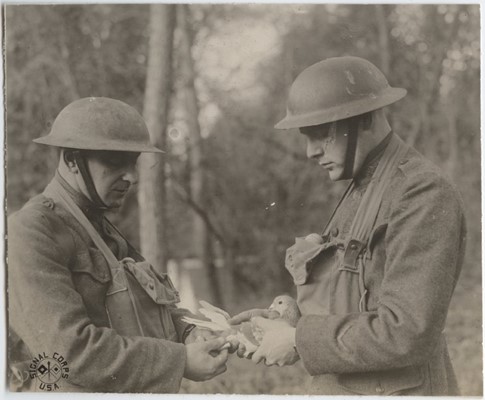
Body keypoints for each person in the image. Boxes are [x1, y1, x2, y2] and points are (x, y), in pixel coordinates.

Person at [230, 56, 466, 395]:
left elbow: (407, 332)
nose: (310, 152)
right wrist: (287, 321)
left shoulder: (420, 192)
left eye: (321, 135)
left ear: (365, 119)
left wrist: (299, 339)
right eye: (305, 137)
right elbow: (355, 302)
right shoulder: (364, 185)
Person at [8, 97, 229, 393]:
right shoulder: (31, 231)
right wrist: (180, 361)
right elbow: (68, 353)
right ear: (72, 160)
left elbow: (143, 308)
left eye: (133, 162)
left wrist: (187, 331)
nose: (132, 177)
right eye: (114, 162)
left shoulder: (102, 227)